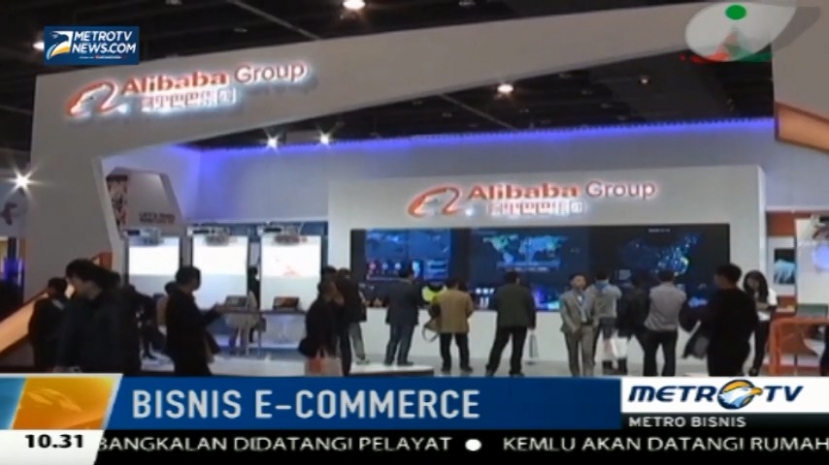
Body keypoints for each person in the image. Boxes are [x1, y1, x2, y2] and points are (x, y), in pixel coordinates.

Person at [55, 260, 140, 374]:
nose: (72, 285)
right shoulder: (79, 304)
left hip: (110, 370)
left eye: (73, 280)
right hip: (90, 369)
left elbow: (122, 343)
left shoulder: (115, 305)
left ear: (88, 280)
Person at [701, 264, 758, 376]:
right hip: (740, 347)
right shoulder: (746, 299)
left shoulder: (718, 297)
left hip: (719, 348)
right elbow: (753, 322)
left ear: (723, 277)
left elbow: (710, 320)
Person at [165, 266, 222, 376]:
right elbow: (195, 324)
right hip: (188, 350)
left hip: (183, 350)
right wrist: (215, 313)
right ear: (193, 281)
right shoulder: (181, 300)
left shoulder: (179, 298)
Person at [485, 271, 536, 377]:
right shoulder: (525, 291)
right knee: (517, 347)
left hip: (503, 322)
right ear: (517, 279)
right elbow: (531, 308)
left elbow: (492, 305)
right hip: (521, 323)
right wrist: (532, 323)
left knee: (498, 346)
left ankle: (491, 368)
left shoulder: (499, 291)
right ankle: (515, 370)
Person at [642, 270, 687, 377]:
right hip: (671, 328)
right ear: (673, 278)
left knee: (650, 354)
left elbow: (645, 307)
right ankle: (668, 376)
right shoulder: (681, 294)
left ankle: (650, 375)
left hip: (653, 328)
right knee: (670, 356)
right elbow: (683, 312)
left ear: (659, 278)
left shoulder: (652, 292)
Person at [298, 280, 341, 375]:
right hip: (320, 347)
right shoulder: (321, 308)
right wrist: (323, 345)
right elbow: (319, 329)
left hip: (319, 347)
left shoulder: (321, 305)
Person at [434, 277, 475, 374]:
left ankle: (446, 366)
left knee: (445, 346)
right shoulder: (465, 296)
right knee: (463, 346)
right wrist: (463, 316)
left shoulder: (439, 296)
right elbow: (470, 310)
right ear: (456, 285)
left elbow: (433, 309)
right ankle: (464, 365)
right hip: (461, 324)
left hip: (444, 324)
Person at [28, 277, 68, 372]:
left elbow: (35, 324)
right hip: (64, 345)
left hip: (44, 345)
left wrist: (34, 341)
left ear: (52, 289)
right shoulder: (71, 305)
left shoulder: (42, 304)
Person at [559, 273, 595, 376]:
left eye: (583, 280)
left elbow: (596, 311)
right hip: (571, 329)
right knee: (573, 353)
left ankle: (588, 375)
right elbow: (564, 314)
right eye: (578, 280)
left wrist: (595, 323)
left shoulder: (591, 296)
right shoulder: (564, 297)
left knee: (587, 352)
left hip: (587, 327)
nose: (581, 282)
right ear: (571, 282)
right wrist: (572, 327)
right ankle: (575, 375)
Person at [383, 267, 421, 367]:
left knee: (393, 339)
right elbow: (420, 302)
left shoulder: (391, 287)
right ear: (410, 275)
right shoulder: (413, 288)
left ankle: (388, 359)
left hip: (394, 316)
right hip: (409, 317)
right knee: (405, 339)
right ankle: (402, 360)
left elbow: (385, 300)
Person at [587, 271, 622, 375]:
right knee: (608, 343)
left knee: (591, 342)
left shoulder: (590, 289)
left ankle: (589, 364)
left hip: (594, 318)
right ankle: (607, 366)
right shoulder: (613, 289)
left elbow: (587, 304)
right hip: (610, 317)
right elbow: (619, 296)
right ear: (608, 278)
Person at [743, 270, 777, 376]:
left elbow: (773, 307)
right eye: (750, 282)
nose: (752, 284)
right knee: (742, 343)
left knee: (760, 346)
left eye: (754, 281)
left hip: (762, 321)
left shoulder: (769, 292)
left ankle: (755, 367)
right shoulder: (745, 293)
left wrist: (759, 306)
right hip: (747, 320)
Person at [616, 276, 649, 374]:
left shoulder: (626, 295)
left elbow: (622, 311)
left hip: (626, 324)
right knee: (648, 349)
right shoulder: (646, 295)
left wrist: (617, 323)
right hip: (642, 324)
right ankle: (650, 369)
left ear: (631, 283)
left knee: (621, 347)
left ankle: (622, 369)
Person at [338, 268, 369, 368]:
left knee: (340, 338)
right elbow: (361, 299)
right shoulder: (354, 285)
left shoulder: (336, 285)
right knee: (356, 337)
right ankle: (361, 357)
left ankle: (339, 356)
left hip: (340, 315)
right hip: (353, 316)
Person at [225, 279, 259, 355]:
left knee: (233, 335)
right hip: (244, 317)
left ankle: (231, 350)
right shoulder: (249, 293)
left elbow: (227, 304)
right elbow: (253, 305)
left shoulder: (232, 292)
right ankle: (243, 351)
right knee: (244, 336)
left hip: (233, 316)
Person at [247, 266, 261, 345]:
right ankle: (250, 338)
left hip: (244, 305)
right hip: (254, 304)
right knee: (252, 322)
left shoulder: (244, 282)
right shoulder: (257, 283)